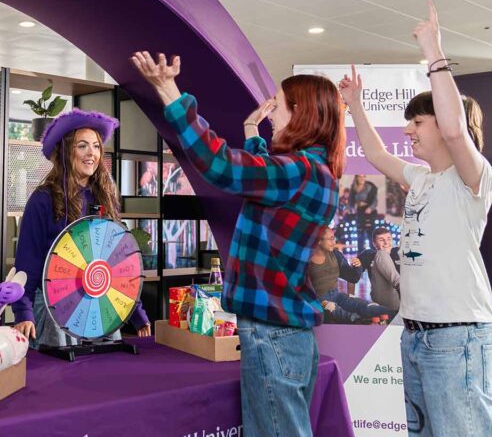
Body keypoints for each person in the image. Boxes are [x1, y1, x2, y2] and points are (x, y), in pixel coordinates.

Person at [131, 50, 344, 437]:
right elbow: (265, 185)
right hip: (289, 332)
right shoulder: (318, 174)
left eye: (278, 107)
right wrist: (252, 131)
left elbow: (223, 167)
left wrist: (170, 91)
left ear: (302, 114)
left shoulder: (297, 172)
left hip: (272, 333)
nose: (272, 115)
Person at [339, 1, 492, 436]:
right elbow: (375, 154)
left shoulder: (473, 178)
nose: (408, 130)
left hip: (459, 336)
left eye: (417, 121)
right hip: (416, 334)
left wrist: (433, 50)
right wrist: (354, 104)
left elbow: (453, 130)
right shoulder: (422, 180)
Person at [12, 108, 152, 346]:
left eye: (96, 146)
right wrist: (23, 312)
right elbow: (28, 262)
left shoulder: (106, 197)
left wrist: (136, 312)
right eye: (82, 146)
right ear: (66, 151)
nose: (92, 154)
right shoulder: (43, 199)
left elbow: (116, 262)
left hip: (99, 304)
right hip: (55, 305)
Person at [309, 227, 393, 323]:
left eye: (334, 238)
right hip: (317, 301)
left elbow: (352, 278)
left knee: (366, 306)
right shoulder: (305, 259)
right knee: (345, 315)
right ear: (319, 241)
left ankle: (394, 315)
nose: (334, 242)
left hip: (337, 296)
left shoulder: (336, 255)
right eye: (331, 239)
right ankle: (365, 322)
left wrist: (357, 266)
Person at [355, 227, 401, 311]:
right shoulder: (368, 254)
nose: (386, 242)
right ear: (374, 243)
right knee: (381, 253)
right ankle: (400, 285)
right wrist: (351, 296)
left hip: (404, 299)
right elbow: (352, 276)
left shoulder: (399, 252)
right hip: (386, 297)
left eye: (389, 239)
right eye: (381, 240)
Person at [349, 174, 379, 245]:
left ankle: (373, 251)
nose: (362, 178)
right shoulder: (353, 188)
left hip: (369, 212)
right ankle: (360, 253)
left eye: (364, 176)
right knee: (360, 233)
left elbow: (375, 201)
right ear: (356, 178)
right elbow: (351, 201)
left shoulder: (369, 187)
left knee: (370, 233)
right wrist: (353, 208)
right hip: (359, 211)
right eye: (360, 176)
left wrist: (370, 208)